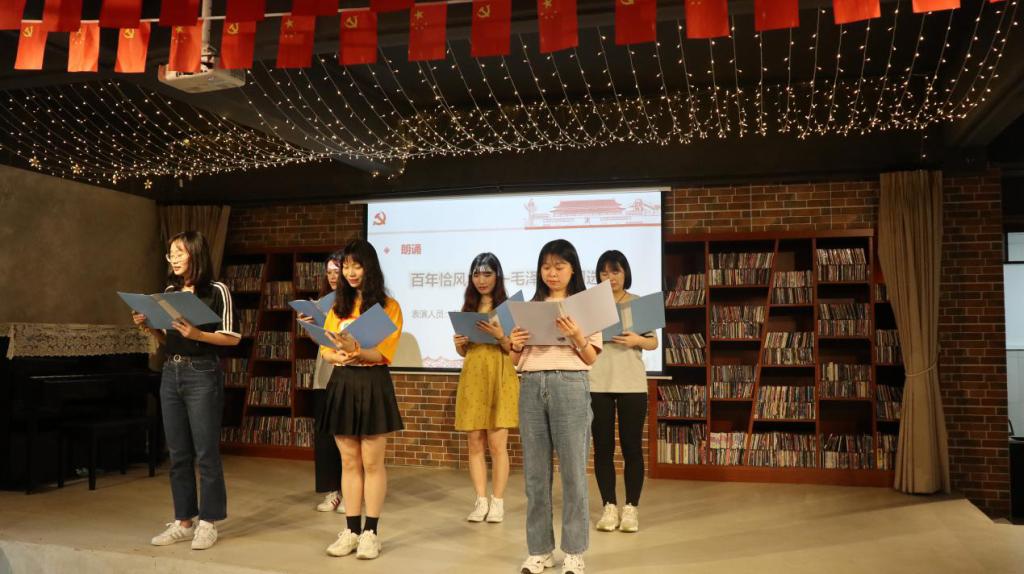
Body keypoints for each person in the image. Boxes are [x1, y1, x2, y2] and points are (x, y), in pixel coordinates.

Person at [133, 230, 241, 550]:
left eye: (180, 252)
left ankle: (208, 522)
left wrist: (198, 334)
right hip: (171, 371)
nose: (174, 259)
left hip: (202, 373)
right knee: (178, 452)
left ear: (195, 253)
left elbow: (232, 338)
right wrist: (149, 327)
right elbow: (170, 339)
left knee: (206, 452)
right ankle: (183, 520)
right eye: (171, 254)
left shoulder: (217, 290)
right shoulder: (170, 291)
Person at [509, 239, 602, 574]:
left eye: (559, 266)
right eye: (546, 267)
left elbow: (590, 358)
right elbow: (515, 360)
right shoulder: (529, 307)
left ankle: (574, 551)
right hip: (532, 384)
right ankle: (539, 550)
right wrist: (513, 345)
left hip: (570, 384)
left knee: (574, 473)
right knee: (535, 475)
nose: (552, 273)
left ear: (573, 269)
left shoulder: (586, 307)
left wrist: (577, 335)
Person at [319, 239, 404, 561]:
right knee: (349, 462)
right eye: (346, 267)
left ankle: (371, 533)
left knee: (372, 462)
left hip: (372, 383)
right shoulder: (337, 307)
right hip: (342, 383)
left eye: (357, 266)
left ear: (370, 268)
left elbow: (382, 354)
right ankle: (351, 530)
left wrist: (355, 350)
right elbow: (325, 349)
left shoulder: (388, 307)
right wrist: (337, 354)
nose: (351, 272)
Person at [589, 250, 658, 533]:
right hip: (597, 383)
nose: (610, 277)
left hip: (631, 383)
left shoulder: (638, 302)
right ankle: (609, 507)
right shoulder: (591, 305)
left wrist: (636, 340)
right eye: (604, 272)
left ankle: (631, 508)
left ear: (625, 273)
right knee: (603, 448)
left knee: (632, 447)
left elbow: (653, 343)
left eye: (615, 271)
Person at [452, 253, 519, 523]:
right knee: (475, 442)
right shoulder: (468, 307)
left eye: (487, 274)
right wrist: (459, 344)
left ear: (497, 276)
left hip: (500, 373)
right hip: (474, 374)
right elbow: (464, 351)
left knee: (497, 443)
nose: (481, 280)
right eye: (477, 274)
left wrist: (500, 335)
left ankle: (498, 501)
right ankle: (480, 500)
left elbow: (514, 350)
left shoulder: (509, 309)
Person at [297, 251, 346, 514]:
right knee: (325, 436)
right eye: (329, 272)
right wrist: (311, 327)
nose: (333, 276)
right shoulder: (322, 303)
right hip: (324, 373)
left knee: (347, 435)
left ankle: (351, 491)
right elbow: (322, 342)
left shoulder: (356, 303)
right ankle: (332, 491)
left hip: (348, 372)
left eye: (337, 271)